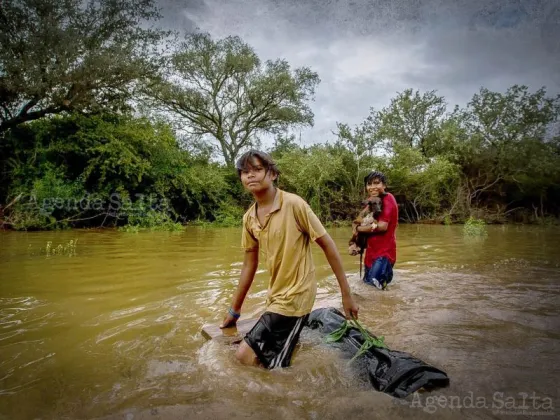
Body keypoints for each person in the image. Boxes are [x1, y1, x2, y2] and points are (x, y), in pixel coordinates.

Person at [220, 150, 359, 369]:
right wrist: (234, 312)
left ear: (272, 174)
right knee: (268, 360)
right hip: (276, 296)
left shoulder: (294, 205)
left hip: (297, 295)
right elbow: (249, 265)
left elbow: (328, 245)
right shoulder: (249, 218)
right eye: (245, 172)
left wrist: (346, 294)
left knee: (243, 357)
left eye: (257, 169)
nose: (251, 176)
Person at [356, 171, 398, 290]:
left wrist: (358, 228)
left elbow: (382, 226)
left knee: (375, 291)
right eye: (369, 184)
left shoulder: (388, 199)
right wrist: (356, 244)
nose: (373, 187)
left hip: (384, 254)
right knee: (368, 289)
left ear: (384, 185)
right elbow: (358, 220)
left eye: (376, 183)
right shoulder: (371, 202)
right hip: (370, 254)